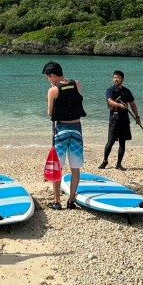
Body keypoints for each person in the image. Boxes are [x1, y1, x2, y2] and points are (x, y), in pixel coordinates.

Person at [43, 61, 86, 210]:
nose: (48, 80)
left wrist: (54, 89)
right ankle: (71, 200)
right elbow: (77, 99)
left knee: (58, 167)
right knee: (75, 168)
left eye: (48, 77)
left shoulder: (52, 91)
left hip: (61, 130)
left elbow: (50, 112)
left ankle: (57, 202)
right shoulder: (78, 83)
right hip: (76, 129)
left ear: (53, 76)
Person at [99, 70, 142, 170]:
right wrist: (119, 105)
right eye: (114, 77)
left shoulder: (127, 91)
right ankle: (105, 161)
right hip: (114, 119)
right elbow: (110, 101)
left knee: (122, 142)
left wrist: (137, 117)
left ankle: (119, 164)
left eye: (117, 77)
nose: (115, 79)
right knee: (110, 142)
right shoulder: (110, 90)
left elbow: (132, 104)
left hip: (124, 120)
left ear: (122, 79)